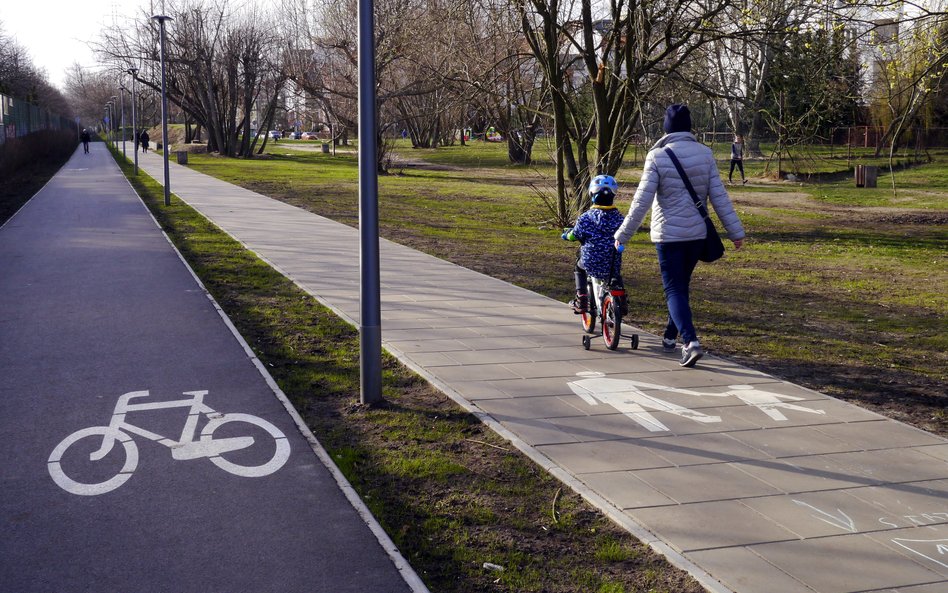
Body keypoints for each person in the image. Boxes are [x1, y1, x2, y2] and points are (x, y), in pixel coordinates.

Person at [614, 104, 745, 368]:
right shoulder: (705, 154)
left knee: (673, 289)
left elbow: (641, 201)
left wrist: (623, 234)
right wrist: (735, 232)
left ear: (666, 128)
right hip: (697, 235)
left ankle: (691, 342)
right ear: (689, 127)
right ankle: (670, 337)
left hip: (668, 237)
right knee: (681, 286)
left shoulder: (657, 156)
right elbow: (719, 196)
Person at [562, 175, 626, 315]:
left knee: (579, 267)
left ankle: (582, 299)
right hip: (612, 262)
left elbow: (575, 235)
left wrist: (566, 235)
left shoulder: (586, 218)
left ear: (592, 194)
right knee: (615, 274)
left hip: (591, 261)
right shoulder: (620, 218)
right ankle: (621, 298)